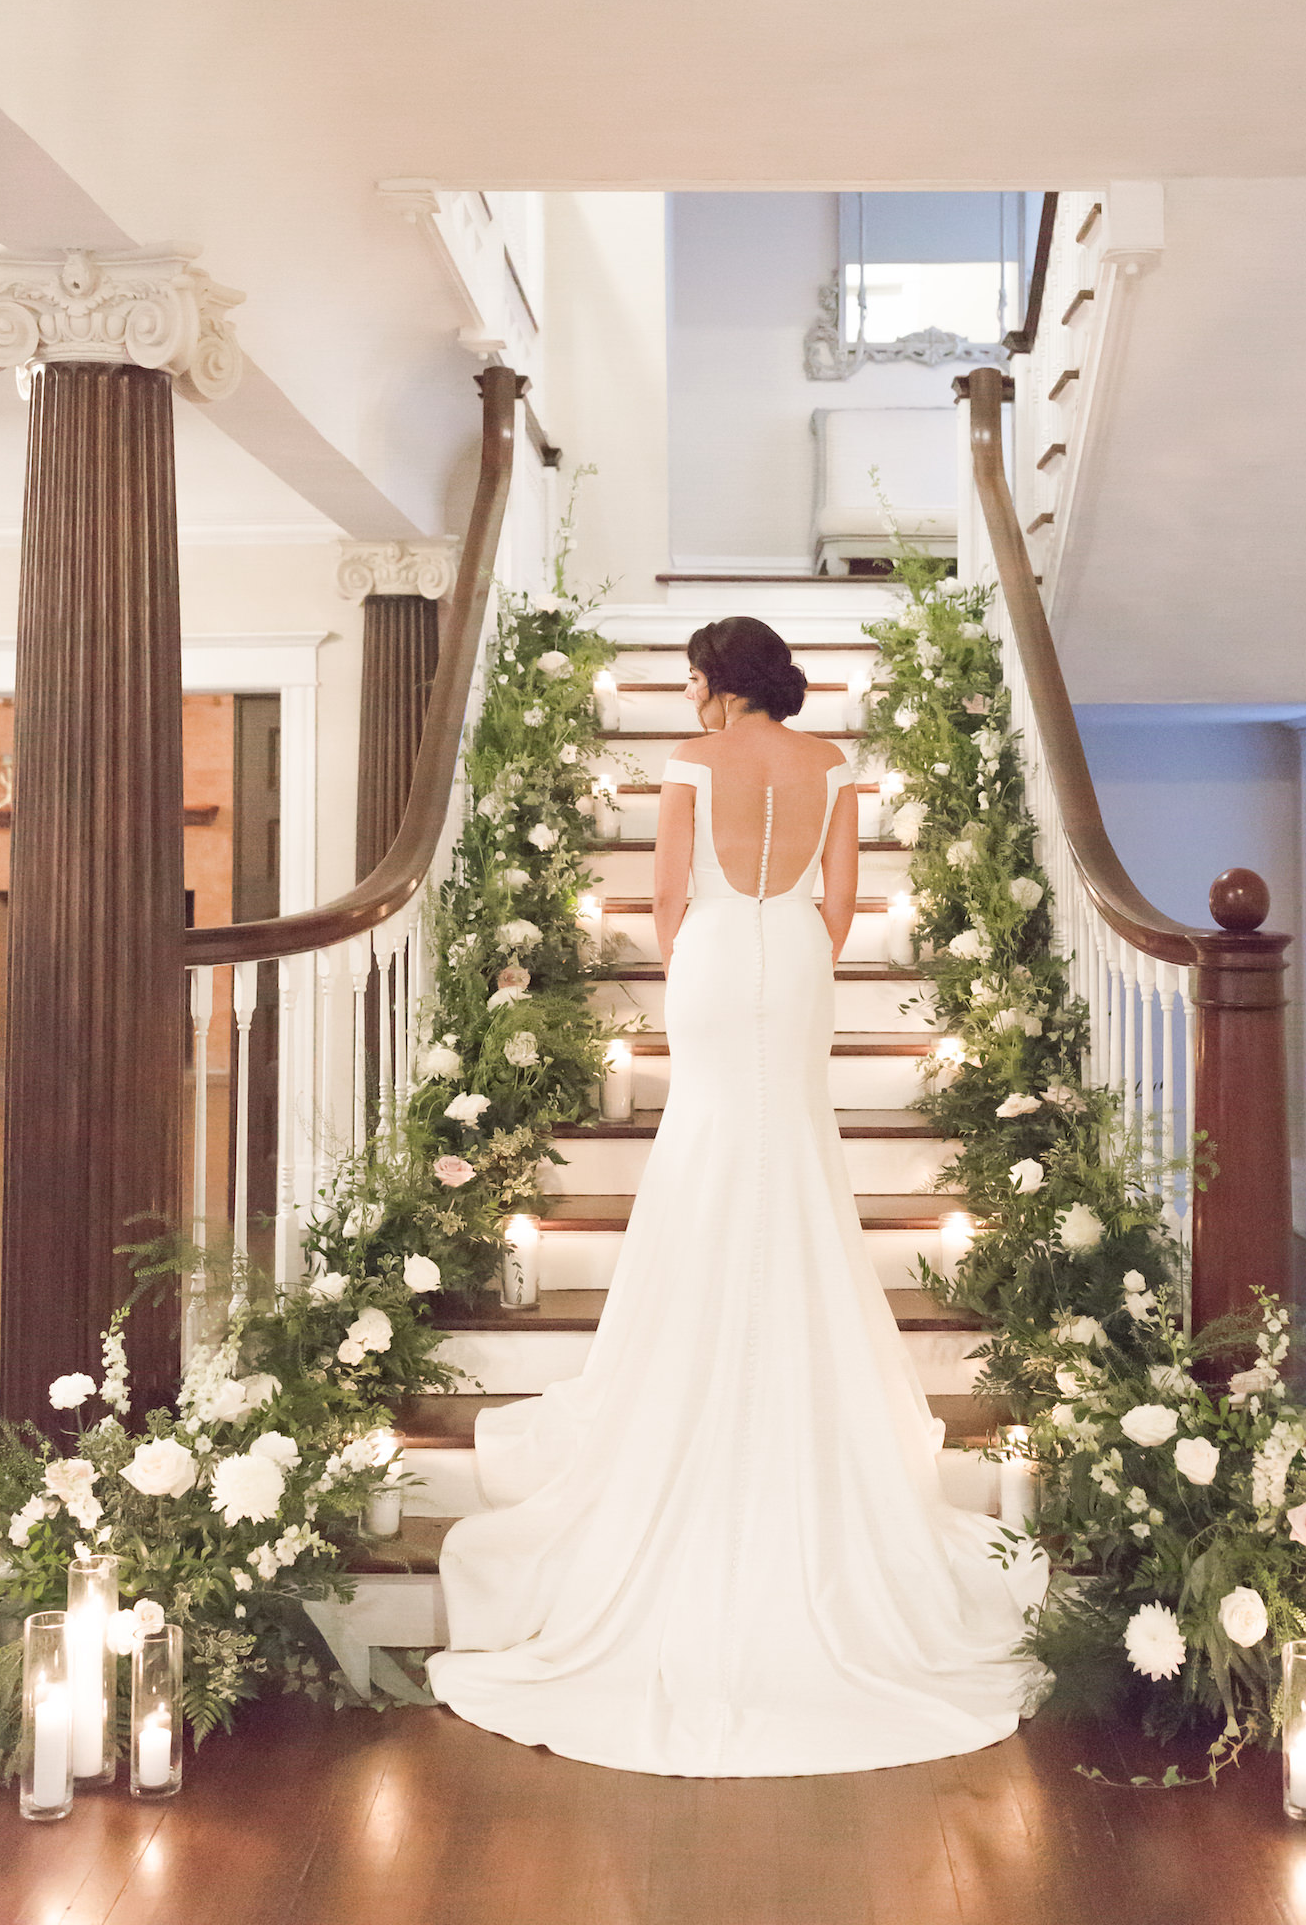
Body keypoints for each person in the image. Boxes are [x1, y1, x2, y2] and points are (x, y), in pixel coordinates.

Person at [427, 616, 1046, 1775]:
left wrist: (710, 955)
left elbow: (663, 902)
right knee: (794, 1149)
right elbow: (843, 903)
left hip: (713, 958)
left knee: (707, 1144)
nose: (690, 694)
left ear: (717, 681)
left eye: (695, 678)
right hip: (796, 967)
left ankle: (696, 1350)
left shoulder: (691, 766)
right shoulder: (827, 767)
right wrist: (786, 954)